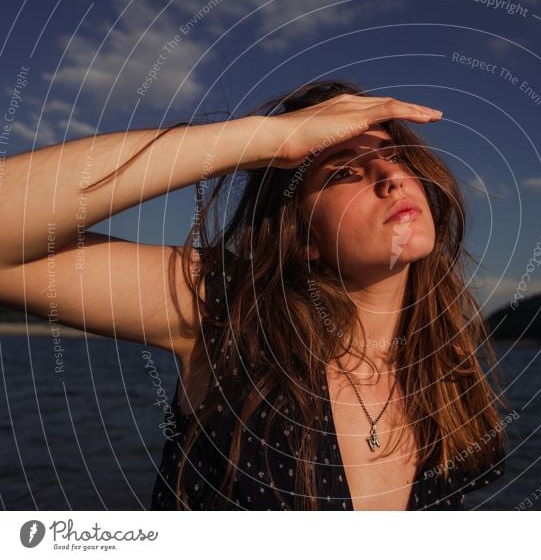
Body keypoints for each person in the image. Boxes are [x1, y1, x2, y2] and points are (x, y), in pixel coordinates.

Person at [0, 80, 508, 510]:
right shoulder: (229, 311)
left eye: (394, 156)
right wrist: (266, 138)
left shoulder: (448, 373)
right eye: (343, 172)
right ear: (304, 238)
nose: (390, 177)